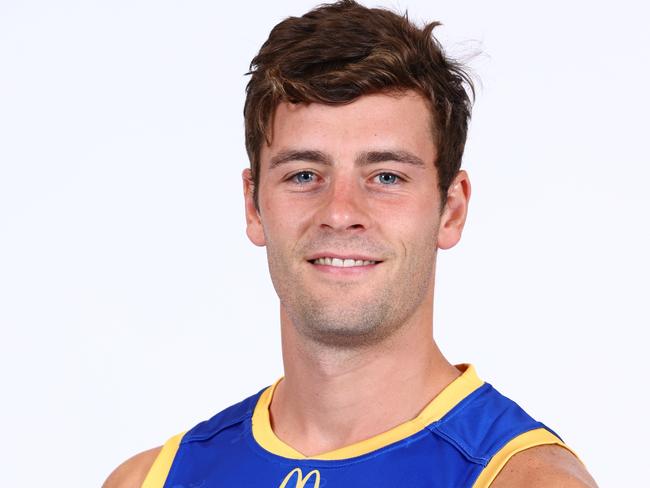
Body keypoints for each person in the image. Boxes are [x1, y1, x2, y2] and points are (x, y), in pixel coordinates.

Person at [104, 1, 597, 486]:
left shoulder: (521, 479)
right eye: (303, 174)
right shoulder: (152, 479)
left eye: (386, 176)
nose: (340, 212)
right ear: (254, 206)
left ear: (452, 209)